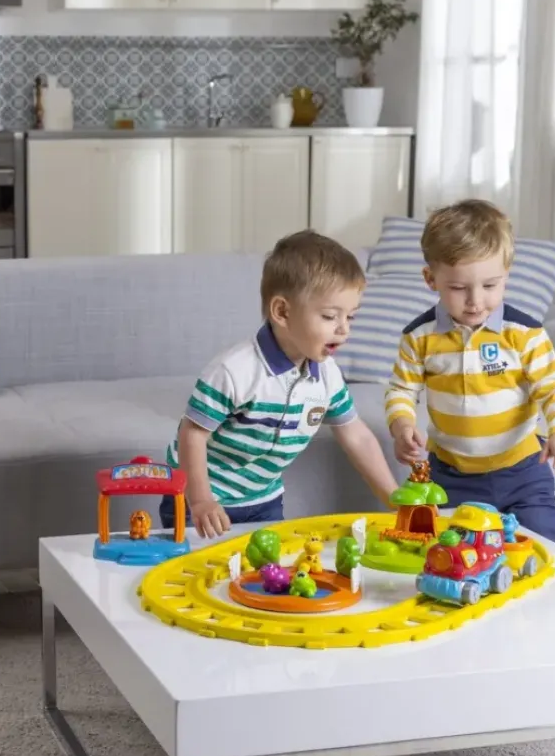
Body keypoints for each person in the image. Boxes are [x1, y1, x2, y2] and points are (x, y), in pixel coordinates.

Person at [161, 229, 399, 539]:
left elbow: (357, 435)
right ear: (282, 312)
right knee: (200, 564)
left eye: (350, 317)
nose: (344, 330)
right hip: (200, 498)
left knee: (268, 566)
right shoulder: (234, 371)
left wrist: (395, 500)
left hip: (264, 500)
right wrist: (200, 500)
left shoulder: (328, 376)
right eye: (330, 316)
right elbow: (192, 433)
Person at [384, 199, 555, 544]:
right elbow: (401, 390)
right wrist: (402, 425)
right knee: (453, 552)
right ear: (431, 279)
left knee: (543, 542)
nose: (475, 301)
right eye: (459, 288)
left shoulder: (524, 333)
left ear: (506, 276)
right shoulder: (419, 337)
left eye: (490, 286)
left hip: (523, 471)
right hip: (451, 476)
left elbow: (554, 388)